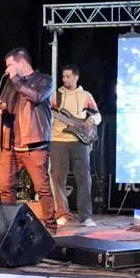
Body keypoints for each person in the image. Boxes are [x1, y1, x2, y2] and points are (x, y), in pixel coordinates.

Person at [0, 47, 56, 227]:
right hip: (10, 144)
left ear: (21, 62)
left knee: (42, 189)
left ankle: (51, 227)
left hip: (34, 145)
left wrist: (16, 80)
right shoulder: (10, 83)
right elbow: (6, 104)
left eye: (10, 65)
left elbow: (37, 96)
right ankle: (9, 227)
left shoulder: (44, 80)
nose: (7, 70)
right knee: (5, 188)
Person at [50, 63, 102, 228]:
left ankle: (85, 216)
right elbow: (47, 112)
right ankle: (62, 214)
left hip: (79, 141)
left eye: (68, 76)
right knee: (57, 177)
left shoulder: (85, 95)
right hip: (57, 139)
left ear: (76, 77)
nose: (65, 79)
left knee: (84, 177)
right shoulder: (55, 95)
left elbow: (98, 115)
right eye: (63, 76)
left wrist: (91, 119)